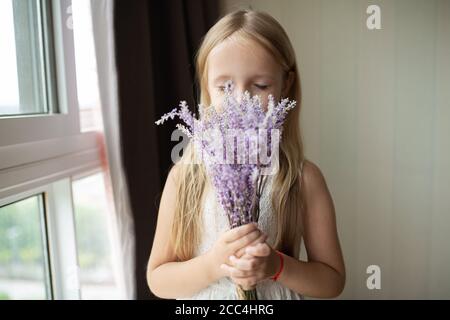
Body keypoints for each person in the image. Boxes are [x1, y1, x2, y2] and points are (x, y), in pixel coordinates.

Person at [147, 9, 345, 299]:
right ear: (206, 87)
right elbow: (158, 279)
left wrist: (276, 266)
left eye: (261, 85)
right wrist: (214, 264)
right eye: (225, 86)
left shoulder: (302, 179)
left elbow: (332, 282)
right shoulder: (185, 177)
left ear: (286, 84)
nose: (241, 100)